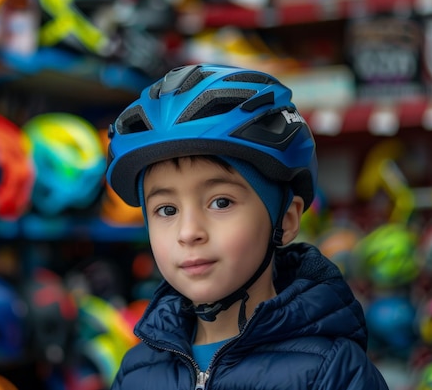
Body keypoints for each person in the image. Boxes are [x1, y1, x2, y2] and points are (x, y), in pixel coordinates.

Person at [104, 63, 389, 390]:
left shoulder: (333, 372)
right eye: (166, 209)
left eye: (220, 202)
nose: (188, 232)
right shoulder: (136, 372)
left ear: (286, 218)